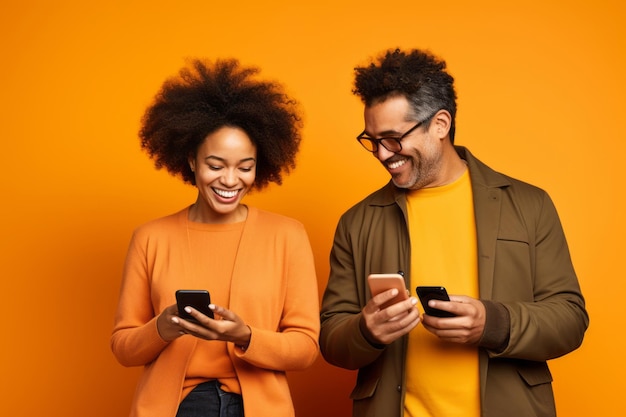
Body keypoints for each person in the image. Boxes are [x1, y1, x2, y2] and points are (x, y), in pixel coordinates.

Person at [319, 48, 589, 417]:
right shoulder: (357, 221)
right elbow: (332, 338)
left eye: (393, 138)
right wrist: (366, 330)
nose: (382, 154)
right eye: (372, 140)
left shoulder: (530, 205)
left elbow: (570, 319)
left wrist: (492, 323)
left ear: (440, 124)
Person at [111, 58, 320, 417]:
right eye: (216, 164)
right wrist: (162, 327)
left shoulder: (287, 235)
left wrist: (245, 335)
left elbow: (305, 348)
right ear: (192, 161)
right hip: (176, 407)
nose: (230, 180)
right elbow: (123, 347)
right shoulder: (150, 238)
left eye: (245, 166)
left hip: (258, 407)